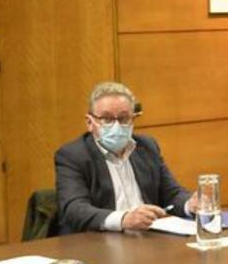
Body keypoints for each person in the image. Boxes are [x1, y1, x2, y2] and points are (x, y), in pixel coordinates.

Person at [55, 81, 195, 234]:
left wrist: (191, 204)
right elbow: (74, 209)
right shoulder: (72, 155)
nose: (116, 126)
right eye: (107, 119)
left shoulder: (147, 147)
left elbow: (171, 194)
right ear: (90, 122)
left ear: (133, 119)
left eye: (123, 118)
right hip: (97, 243)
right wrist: (124, 219)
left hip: (148, 239)